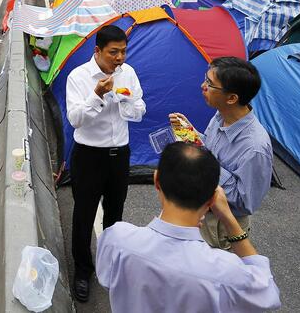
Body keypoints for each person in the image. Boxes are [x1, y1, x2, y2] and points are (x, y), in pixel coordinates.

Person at [96, 142, 282, 312]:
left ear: (156, 180)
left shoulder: (117, 239)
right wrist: (228, 218)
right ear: (212, 199)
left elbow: (107, 279)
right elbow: (267, 293)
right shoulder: (224, 270)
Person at [65, 25, 146, 302]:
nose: (119, 58)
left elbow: (139, 112)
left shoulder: (129, 73)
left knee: (115, 213)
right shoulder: (79, 76)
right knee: (84, 214)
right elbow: (75, 119)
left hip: (119, 154)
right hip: (89, 155)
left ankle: (111, 263)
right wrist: (97, 96)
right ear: (98, 51)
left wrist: (126, 101)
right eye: (114, 52)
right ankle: (82, 270)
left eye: (123, 51)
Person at [171, 57, 272, 250]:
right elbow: (207, 146)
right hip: (200, 212)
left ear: (232, 98)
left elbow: (245, 202)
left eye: (210, 84)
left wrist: (206, 162)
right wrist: (190, 134)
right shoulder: (221, 115)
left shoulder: (255, 147)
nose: (203, 86)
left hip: (220, 228)